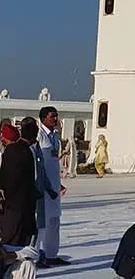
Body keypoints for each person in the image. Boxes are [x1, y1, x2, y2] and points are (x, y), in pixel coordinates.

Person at [36, 106, 67, 266]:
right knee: (42, 223)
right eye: (52, 116)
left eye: (56, 116)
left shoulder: (54, 136)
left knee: (54, 221)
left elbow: (53, 163)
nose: (55, 119)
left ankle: (52, 255)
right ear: (43, 118)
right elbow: (39, 165)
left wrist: (58, 184)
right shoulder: (39, 136)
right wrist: (47, 186)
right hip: (43, 187)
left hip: (54, 186)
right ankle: (36, 256)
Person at [0, 119, 38, 247]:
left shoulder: (12, 150)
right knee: (19, 241)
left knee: (13, 240)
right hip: (20, 205)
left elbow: (7, 178)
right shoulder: (25, 150)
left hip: (14, 205)